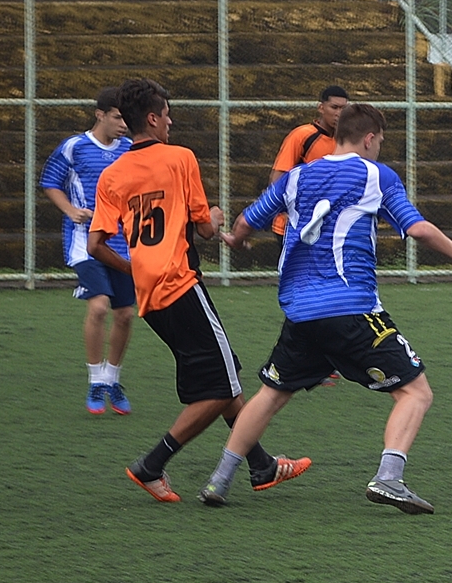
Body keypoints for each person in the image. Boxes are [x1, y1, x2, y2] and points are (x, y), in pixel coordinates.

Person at [197, 102, 452, 513]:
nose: (380, 149)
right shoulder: (375, 175)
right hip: (351, 306)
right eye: (380, 142)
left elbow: (249, 220)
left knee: (273, 392)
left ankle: (219, 480)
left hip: (300, 310)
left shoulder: (296, 177)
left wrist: (237, 240)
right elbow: (415, 226)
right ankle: (389, 479)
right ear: (369, 138)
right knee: (415, 392)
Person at [88, 77, 310, 502]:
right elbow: (206, 229)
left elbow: (96, 245)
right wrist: (217, 214)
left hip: (150, 295)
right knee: (222, 387)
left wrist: (134, 269)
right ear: (153, 119)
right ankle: (151, 465)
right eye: (167, 114)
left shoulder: (112, 174)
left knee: (220, 378)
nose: (171, 121)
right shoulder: (179, 158)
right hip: (181, 283)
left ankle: (261, 465)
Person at [40, 87, 136, 416]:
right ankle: (95, 379)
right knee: (99, 307)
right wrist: (69, 210)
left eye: (127, 118)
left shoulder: (131, 150)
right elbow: (50, 181)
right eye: (118, 117)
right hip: (85, 242)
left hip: (123, 244)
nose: (124, 124)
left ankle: (112, 379)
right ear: (100, 115)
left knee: (125, 314)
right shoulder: (75, 147)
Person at [266, 84, 349, 385]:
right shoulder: (303, 136)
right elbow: (278, 178)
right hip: (294, 230)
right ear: (320, 107)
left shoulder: (345, 141)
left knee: (325, 291)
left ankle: (314, 359)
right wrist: (283, 212)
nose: (339, 113)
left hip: (327, 234)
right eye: (334, 107)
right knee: (306, 291)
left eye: (344, 107)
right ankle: (291, 361)